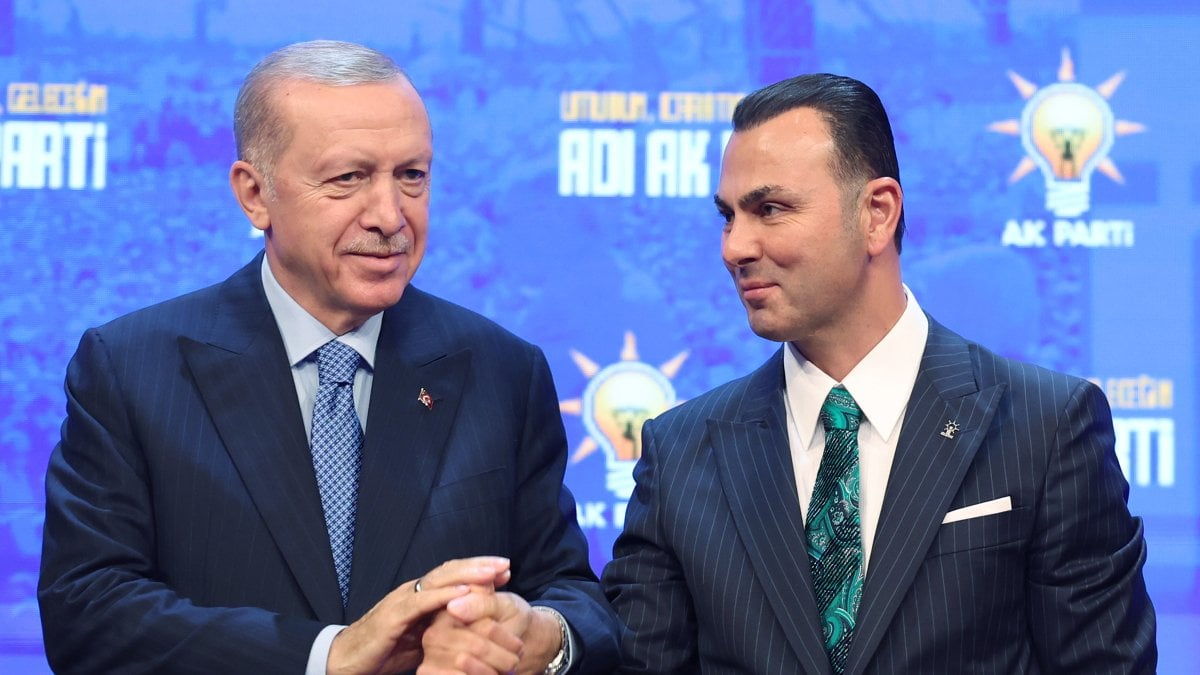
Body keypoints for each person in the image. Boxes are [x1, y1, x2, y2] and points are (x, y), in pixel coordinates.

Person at [39, 40, 619, 675]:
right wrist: (327, 654)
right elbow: (89, 613)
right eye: (348, 178)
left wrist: (542, 638)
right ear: (254, 194)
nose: (390, 216)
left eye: (412, 175)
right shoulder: (132, 368)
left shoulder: (502, 370)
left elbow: (573, 595)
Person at [602, 73, 1156, 674]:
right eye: (728, 216)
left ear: (877, 213)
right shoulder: (679, 454)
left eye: (770, 209)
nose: (735, 247)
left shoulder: (1046, 428)